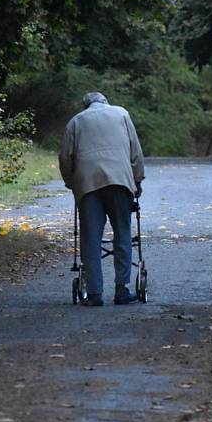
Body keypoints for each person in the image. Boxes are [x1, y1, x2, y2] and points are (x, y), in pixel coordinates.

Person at [59, 92, 145, 306]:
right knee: (123, 233)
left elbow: (64, 157)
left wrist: (72, 182)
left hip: (88, 185)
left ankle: (95, 293)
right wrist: (138, 181)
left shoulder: (76, 121)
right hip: (120, 181)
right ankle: (122, 290)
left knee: (90, 238)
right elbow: (136, 152)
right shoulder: (122, 114)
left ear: (86, 105)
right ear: (105, 102)